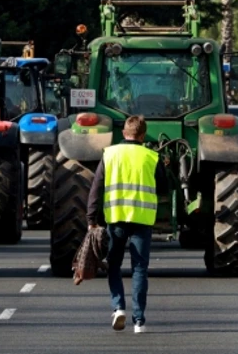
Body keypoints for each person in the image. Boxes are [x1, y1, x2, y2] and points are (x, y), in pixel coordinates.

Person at [87, 115, 168, 334]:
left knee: (114, 265)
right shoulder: (152, 157)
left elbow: (96, 188)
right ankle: (139, 321)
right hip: (142, 219)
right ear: (143, 135)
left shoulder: (110, 154)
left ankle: (118, 307)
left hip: (116, 218)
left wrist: (91, 220)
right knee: (139, 268)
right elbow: (164, 188)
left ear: (124, 133)